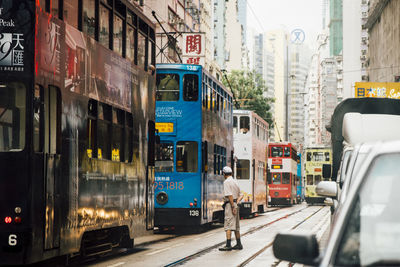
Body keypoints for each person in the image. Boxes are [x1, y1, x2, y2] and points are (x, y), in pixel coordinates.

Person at [219, 166, 243, 251]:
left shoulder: (226, 182)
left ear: (224, 174)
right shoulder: (235, 181)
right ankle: (239, 244)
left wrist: (233, 206)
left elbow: (229, 195)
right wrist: (237, 203)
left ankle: (228, 245)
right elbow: (241, 194)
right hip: (236, 203)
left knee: (228, 224)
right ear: (231, 173)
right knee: (236, 226)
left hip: (230, 205)